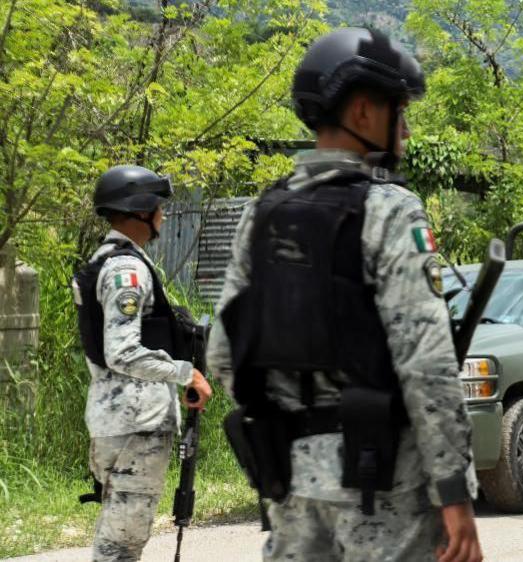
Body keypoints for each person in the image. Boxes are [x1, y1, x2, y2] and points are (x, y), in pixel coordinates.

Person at [206, 28, 483, 561]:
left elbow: (223, 353)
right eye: (398, 111)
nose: (403, 129)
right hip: (382, 486)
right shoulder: (391, 210)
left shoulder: (262, 212)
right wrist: (453, 492)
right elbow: (426, 367)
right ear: (361, 113)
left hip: (290, 484)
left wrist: (289, 417)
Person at [73, 165, 212, 561]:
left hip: (116, 421)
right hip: (136, 425)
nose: (163, 216)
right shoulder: (127, 269)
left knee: (118, 534)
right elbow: (123, 351)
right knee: (121, 545)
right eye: (157, 208)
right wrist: (187, 372)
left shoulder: (107, 260)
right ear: (140, 211)